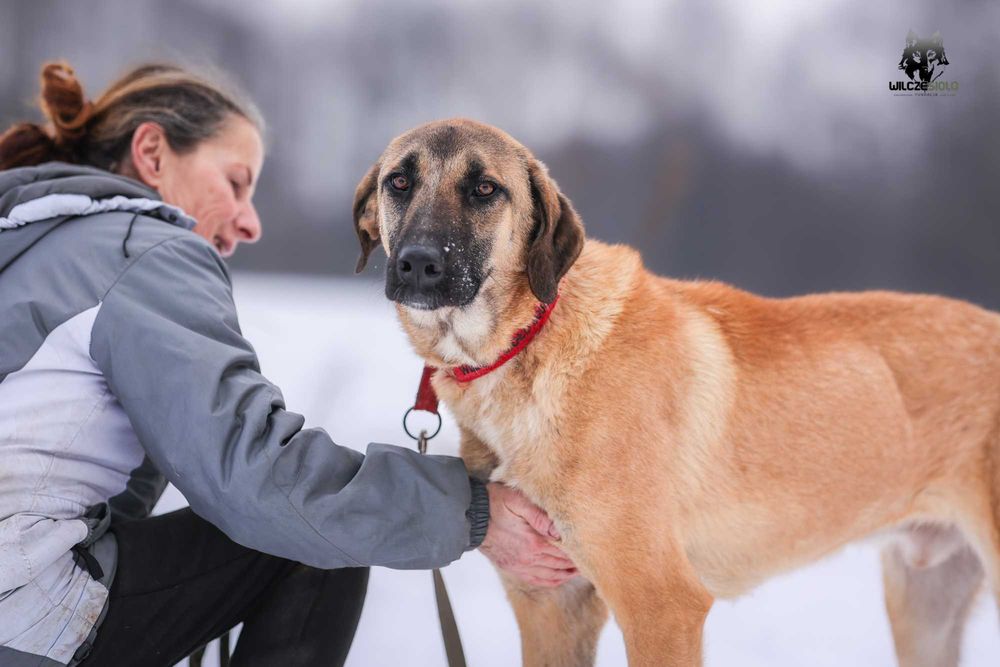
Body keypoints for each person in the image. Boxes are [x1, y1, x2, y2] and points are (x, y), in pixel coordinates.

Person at [0, 62, 576, 667]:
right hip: (23, 611)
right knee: (313, 545)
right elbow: (253, 475)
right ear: (152, 153)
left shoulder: (35, 244)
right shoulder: (141, 249)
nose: (249, 221)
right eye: (235, 181)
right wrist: (472, 511)